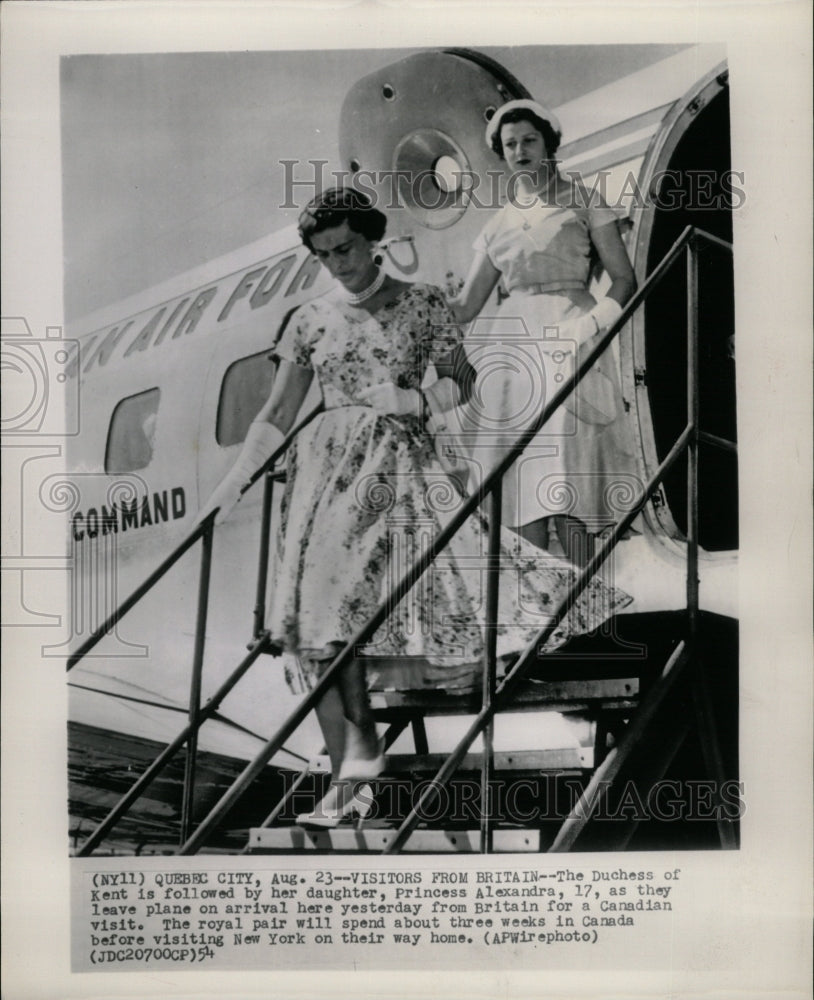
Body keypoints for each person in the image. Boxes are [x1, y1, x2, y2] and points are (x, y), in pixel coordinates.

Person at [198, 187, 631, 826]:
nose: (337, 263)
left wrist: (415, 402)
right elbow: (277, 413)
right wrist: (230, 487)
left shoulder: (422, 302)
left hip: (397, 464)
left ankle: (358, 771)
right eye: (323, 255)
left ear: (371, 238)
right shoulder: (308, 319)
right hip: (322, 476)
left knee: (342, 614)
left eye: (345, 247)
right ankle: (358, 765)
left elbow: (463, 379)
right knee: (310, 624)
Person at [447, 99, 639, 567]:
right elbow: (467, 305)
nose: (520, 150)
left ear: (548, 144)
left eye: (529, 140)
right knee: (518, 477)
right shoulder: (497, 225)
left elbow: (624, 277)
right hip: (511, 346)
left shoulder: (584, 200)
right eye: (510, 144)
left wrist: (589, 324)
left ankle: (584, 600)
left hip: (571, 331)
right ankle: (537, 611)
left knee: (568, 469)